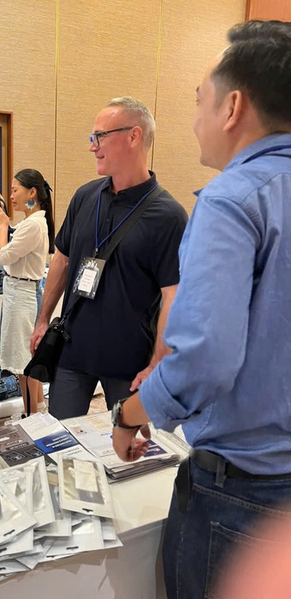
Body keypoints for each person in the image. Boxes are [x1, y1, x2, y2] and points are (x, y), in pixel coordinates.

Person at [111, 21, 291, 598]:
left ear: (232, 106)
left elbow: (207, 359)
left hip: (242, 492)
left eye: (197, 101)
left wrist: (129, 414)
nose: (193, 120)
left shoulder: (232, 199)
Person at [30, 97, 188, 419]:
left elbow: (174, 297)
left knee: (128, 442)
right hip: (73, 348)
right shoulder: (85, 196)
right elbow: (61, 260)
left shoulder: (169, 216)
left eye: (100, 136)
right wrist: (43, 320)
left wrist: (158, 362)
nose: (93, 147)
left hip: (130, 361)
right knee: (62, 437)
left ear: (134, 136)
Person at [0, 169, 54, 414]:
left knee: (23, 362)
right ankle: (38, 410)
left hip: (21, 295)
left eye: (15, 190)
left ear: (32, 192)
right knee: (28, 357)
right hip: (22, 291)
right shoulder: (33, 222)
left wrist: (2, 224)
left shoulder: (33, 224)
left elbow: (4, 256)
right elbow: (16, 241)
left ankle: (30, 416)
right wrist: (4, 212)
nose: (12, 195)